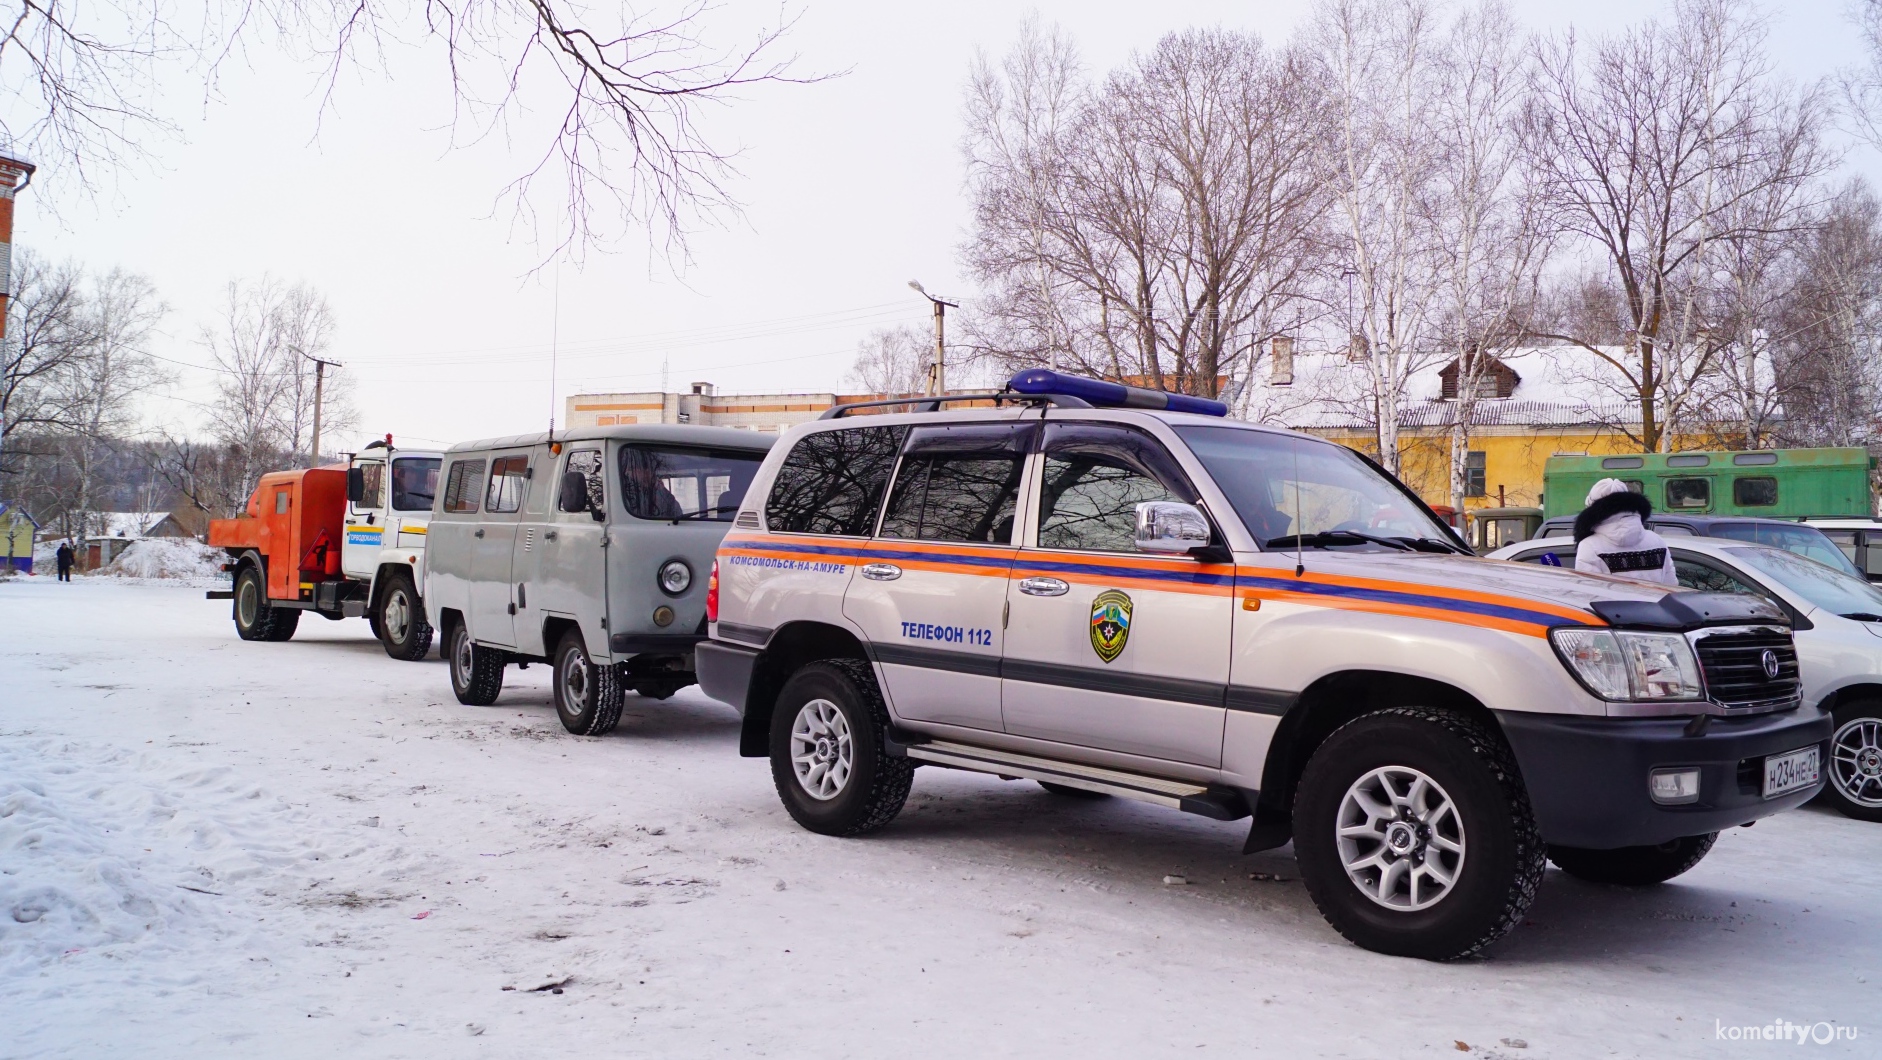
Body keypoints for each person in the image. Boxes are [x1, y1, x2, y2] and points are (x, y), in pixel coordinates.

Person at [1573, 478, 1677, 585]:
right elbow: (1671, 586)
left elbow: (1589, 592)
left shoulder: (1589, 546)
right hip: (1656, 601)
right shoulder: (1657, 541)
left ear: (1591, 508)